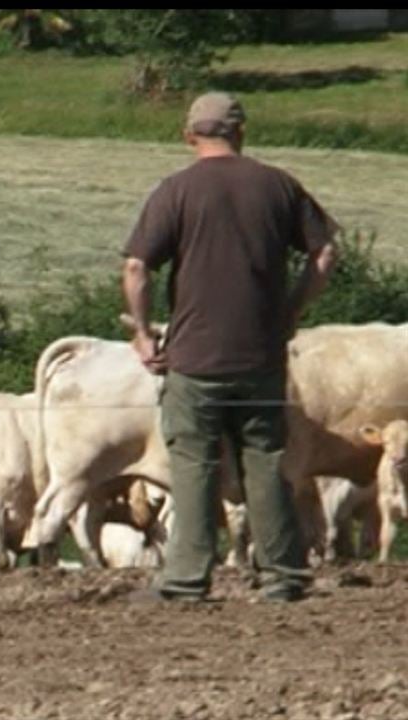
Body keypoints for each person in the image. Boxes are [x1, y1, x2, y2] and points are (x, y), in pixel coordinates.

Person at [121, 92, 338, 602]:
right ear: (241, 131)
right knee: (264, 458)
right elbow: (325, 251)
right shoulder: (278, 185)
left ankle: (186, 579)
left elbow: (136, 266)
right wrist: (291, 311)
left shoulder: (175, 190)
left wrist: (143, 331)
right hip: (260, 354)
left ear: (188, 134)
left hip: (194, 357)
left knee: (193, 464)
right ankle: (283, 575)